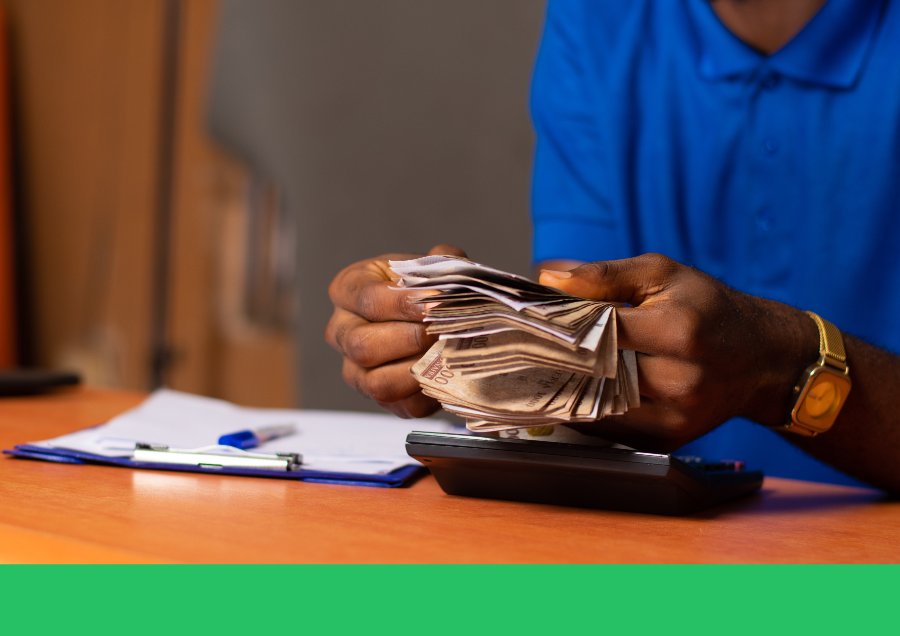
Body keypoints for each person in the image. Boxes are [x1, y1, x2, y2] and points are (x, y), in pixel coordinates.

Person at [325, 0, 900, 492]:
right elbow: (593, 354)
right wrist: (449, 332)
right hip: (660, 539)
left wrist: (785, 368)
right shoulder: (599, 16)